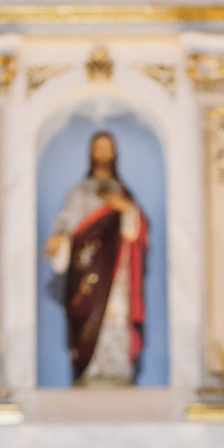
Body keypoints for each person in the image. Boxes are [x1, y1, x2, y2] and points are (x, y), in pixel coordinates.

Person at [45, 129, 147, 385]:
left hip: (115, 272)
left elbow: (136, 233)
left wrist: (125, 209)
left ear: (114, 153)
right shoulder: (78, 192)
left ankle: (117, 372)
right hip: (85, 273)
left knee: (115, 317)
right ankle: (88, 372)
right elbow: (65, 225)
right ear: (91, 153)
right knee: (86, 320)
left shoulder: (123, 194)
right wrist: (58, 242)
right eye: (98, 147)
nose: (103, 153)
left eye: (107, 147)